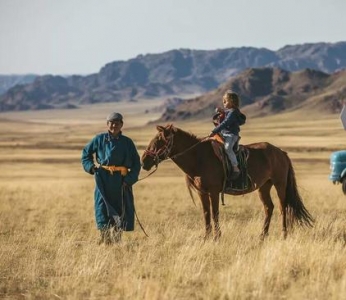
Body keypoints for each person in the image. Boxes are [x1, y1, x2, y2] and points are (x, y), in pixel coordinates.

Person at [81, 112, 141, 244]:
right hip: (103, 179)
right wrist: (91, 167)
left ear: (122, 125)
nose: (114, 125)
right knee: (102, 206)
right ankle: (105, 238)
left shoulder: (127, 142)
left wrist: (129, 179)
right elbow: (86, 154)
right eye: (111, 123)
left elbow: (137, 163)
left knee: (121, 207)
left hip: (121, 181)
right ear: (107, 124)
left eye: (117, 123)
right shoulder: (99, 139)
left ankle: (117, 239)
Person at [209, 90, 246, 179]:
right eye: (223, 101)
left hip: (231, 135)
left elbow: (226, 122)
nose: (223, 103)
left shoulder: (233, 112)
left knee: (227, 148)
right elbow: (226, 115)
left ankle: (235, 167)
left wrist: (214, 131)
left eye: (225, 101)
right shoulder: (230, 112)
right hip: (224, 134)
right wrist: (222, 112)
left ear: (232, 102)